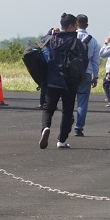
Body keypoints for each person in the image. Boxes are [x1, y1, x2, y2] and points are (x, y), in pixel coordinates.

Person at [39, 13, 84, 149]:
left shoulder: (52, 39)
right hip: (69, 82)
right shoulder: (76, 42)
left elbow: (43, 39)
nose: (76, 28)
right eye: (75, 25)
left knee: (48, 108)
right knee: (67, 111)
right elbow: (83, 59)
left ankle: (45, 128)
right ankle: (61, 140)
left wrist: (51, 32)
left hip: (52, 79)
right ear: (70, 26)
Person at [72, 14, 101, 136]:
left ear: (75, 24)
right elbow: (95, 60)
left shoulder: (71, 37)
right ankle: (78, 127)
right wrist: (95, 76)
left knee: (69, 100)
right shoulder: (92, 40)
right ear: (87, 25)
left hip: (71, 72)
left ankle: (67, 121)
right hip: (86, 73)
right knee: (82, 102)